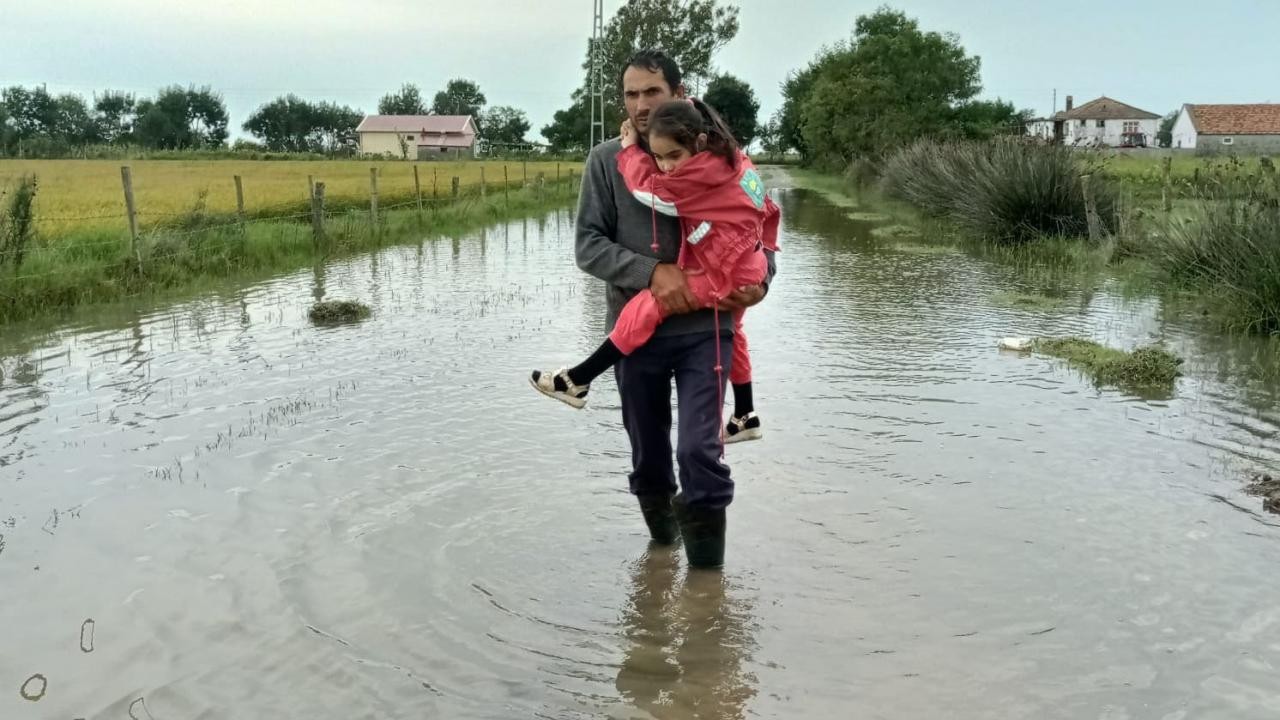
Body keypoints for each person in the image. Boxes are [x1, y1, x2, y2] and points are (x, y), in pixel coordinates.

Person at [541, 49, 776, 569]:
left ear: (678, 93)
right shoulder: (606, 161)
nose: (641, 104)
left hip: (705, 330)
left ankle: (707, 584)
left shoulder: (724, 159)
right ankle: (662, 558)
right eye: (631, 94)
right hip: (635, 336)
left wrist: (761, 286)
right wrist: (652, 273)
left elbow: (758, 229)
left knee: (698, 450)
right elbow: (588, 245)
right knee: (648, 458)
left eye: (652, 92)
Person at [530, 97, 779, 449]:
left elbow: (649, 192)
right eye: (658, 158)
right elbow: (767, 212)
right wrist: (762, 270)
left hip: (726, 271)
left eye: (672, 156)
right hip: (744, 264)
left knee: (649, 303)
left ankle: (579, 378)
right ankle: (746, 413)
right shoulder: (736, 161)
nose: (665, 168)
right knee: (735, 330)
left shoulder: (698, 177)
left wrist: (631, 151)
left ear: (699, 141)